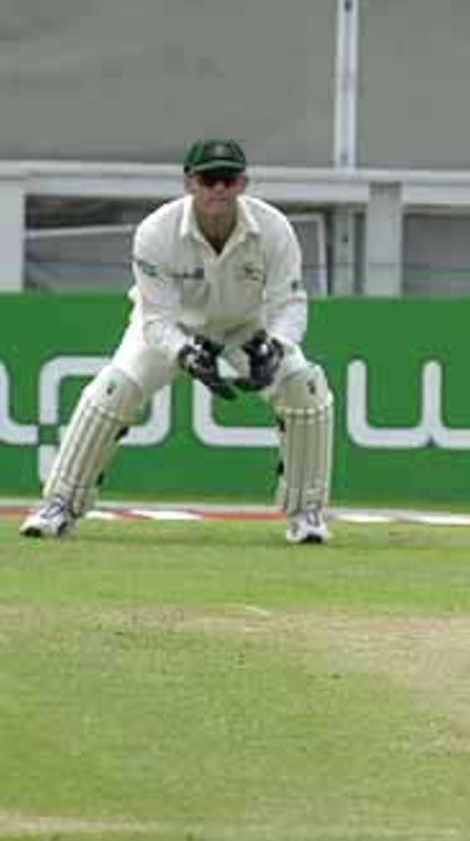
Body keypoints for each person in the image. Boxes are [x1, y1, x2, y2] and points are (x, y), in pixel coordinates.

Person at [19, 139, 334, 545]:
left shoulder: (274, 229)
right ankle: (59, 504)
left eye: (228, 179)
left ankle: (306, 514)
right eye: (208, 179)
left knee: (304, 387)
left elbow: (290, 304)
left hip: (245, 327)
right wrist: (186, 353)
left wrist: (275, 346)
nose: (218, 189)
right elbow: (156, 318)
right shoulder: (156, 232)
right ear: (190, 183)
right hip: (174, 329)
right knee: (112, 392)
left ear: (243, 184)